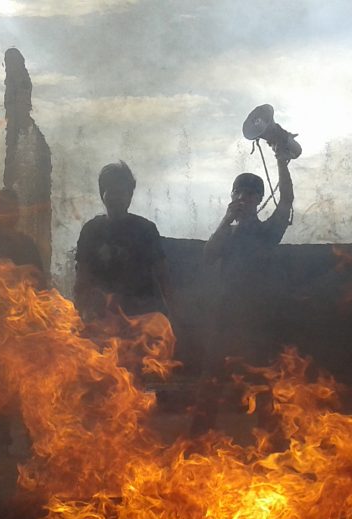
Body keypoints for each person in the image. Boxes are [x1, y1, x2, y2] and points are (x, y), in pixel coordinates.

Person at [189, 145, 295, 435]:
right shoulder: (229, 233)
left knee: (262, 382)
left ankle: (270, 442)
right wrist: (225, 220)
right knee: (210, 380)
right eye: (239, 193)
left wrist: (282, 163)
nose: (244, 198)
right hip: (226, 318)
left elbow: (286, 201)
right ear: (232, 197)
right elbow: (209, 255)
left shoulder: (268, 231)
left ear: (259, 200)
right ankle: (198, 440)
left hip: (259, 319)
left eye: (250, 194)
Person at [0, 188, 48, 449]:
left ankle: (30, 429)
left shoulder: (26, 244)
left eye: (13, 209)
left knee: (27, 378)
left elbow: (40, 281)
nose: (9, 214)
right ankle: (0, 433)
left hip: (24, 321)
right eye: (4, 208)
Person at [73, 162, 171, 320]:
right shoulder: (91, 231)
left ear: (130, 195)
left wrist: (171, 314)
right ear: (102, 194)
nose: (116, 198)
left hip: (142, 317)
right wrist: (80, 309)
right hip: (102, 317)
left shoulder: (146, 229)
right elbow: (82, 277)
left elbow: (163, 275)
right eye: (111, 191)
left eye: (121, 192)